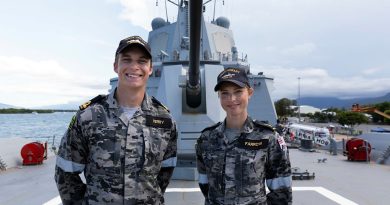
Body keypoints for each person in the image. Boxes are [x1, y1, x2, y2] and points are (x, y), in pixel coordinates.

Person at [55, 36, 178, 205]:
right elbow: (66, 172)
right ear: (115, 66)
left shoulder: (164, 120)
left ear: (150, 68)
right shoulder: (88, 116)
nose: (134, 67)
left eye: (142, 61)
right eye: (126, 60)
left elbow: (165, 172)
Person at [195, 68, 292, 205]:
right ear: (219, 96)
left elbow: (282, 194)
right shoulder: (206, 139)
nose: (232, 99)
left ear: (250, 93)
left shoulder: (269, 138)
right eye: (225, 93)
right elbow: (205, 184)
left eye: (238, 92)